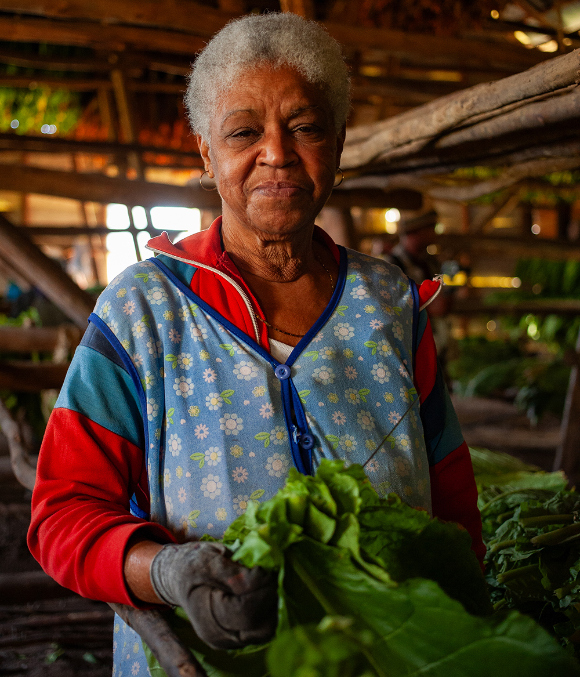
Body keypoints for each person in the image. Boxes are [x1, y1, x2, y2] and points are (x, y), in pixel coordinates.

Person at [28, 13, 485, 675]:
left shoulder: (391, 305)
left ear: (338, 142)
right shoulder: (142, 313)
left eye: (304, 126)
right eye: (245, 131)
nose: (277, 152)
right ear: (207, 153)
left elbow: (452, 497)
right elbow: (61, 514)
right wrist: (167, 569)